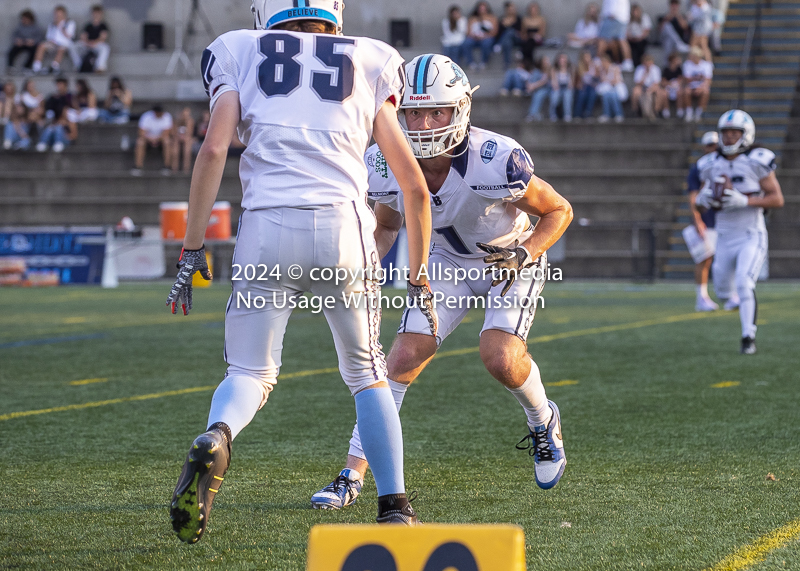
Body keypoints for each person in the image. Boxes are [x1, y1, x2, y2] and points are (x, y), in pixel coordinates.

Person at [166, 0, 435, 543]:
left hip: (266, 227)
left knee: (248, 373)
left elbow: (214, 148)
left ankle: (219, 435)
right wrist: (420, 275)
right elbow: (412, 185)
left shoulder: (239, 48)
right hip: (343, 229)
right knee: (366, 373)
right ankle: (394, 506)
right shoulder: (369, 57)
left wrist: (191, 251)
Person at [310, 53, 572, 511]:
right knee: (401, 358)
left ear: (461, 110)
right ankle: (352, 472)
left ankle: (542, 418)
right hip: (445, 262)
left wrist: (525, 253)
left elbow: (558, 210)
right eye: (413, 112)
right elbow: (388, 224)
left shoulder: (497, 158)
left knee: (500, 356)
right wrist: (364, 259)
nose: (425, 123)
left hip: (506, 258)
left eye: (437, 111)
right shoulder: (385, 161)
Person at [694, 111, 784, 354]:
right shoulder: (711, 163)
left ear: (746, 135)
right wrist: (702, 200)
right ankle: (738, 312)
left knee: (745, 283)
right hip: (723, 237)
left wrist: (745, 201)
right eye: (726, 132)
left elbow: (777, 199)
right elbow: (701, 203)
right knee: (723, 290)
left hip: (750, 234)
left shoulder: (757, 160)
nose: (730, 137)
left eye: (735, 132)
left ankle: (748, 338)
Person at [684, 131, 720, 311]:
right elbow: (693, 197)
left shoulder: (724, 164)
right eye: (709, 145)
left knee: (721, 259)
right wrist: (697, 220)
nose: (713, 148)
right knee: (704, 259)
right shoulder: (699, 168)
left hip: (722, 219)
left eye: (715, 145)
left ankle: (731, 294)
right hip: (707, 219)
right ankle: (702, 297)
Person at [32, 6, 77, 74]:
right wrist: (51, 41)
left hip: (65, 44)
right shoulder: (52, 24)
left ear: (64, 14)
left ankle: (54, 67)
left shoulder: (70, 23)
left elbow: (69, 37)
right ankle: (36, 68)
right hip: (53, 44)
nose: (57, 16)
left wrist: (61, 27)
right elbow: (48, 37)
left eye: (59, 14)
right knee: (41, 45)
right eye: (56, 14)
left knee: (61, 48)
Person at [36, 78, 77, 152]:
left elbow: (74, 135)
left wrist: (65, 136)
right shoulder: (55, 120)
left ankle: (58, 142)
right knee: (50, 128)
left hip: (64, 140)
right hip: (53, 139)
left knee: (58, 128)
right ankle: (42, 143)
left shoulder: (70, 120)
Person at [131, 105, 173, 176]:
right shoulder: (146, 116)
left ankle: (167, 166)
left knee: (167, 141)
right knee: (140, 142)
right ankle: (138, 167)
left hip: (160, 140)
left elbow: (166, 133)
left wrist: (156, 139)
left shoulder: (167, 116)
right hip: (148, 139)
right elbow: (141, 132)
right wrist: (150, 139)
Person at [597, 0, 633, 71]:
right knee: (619, 39)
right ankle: (626, 62)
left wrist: (611, 14)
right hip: (619, 17)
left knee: (602, 39)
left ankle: (597, 60)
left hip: (613, 17)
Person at [74, 5, 111, 73]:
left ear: (101, 14)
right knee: (74, 46)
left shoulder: (103, 25)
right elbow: (83, 36)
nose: (96, 15)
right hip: (87, 44)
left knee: (105, 48)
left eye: (98, 13)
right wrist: (88, 42)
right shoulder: (88, 25)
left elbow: (103, 38)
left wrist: (94, 43)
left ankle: (99, 67)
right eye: (94, 13)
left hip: (97, 45)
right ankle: (79, 65)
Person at [463, 1, 498, 70]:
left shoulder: (492, 18)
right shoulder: (472, 19)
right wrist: (474, 36)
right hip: (474, 38)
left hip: (486, 38)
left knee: (487, 43)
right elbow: (468, 32)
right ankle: (471, 62)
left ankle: (484, 62)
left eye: (483, 9)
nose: (482, 11)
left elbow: (494, 32)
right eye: (480, 9)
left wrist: (485, 36)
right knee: (466, 43)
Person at [680, 46, 712, 122]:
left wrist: (701, 87)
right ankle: (689, 111)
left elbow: (708, 80)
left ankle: (699, 112)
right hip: (691, 86)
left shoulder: (706, 65)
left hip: (702, 86)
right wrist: (697, 79)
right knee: (686, 91)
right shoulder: (687, 64)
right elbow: (687, 80)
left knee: (706, 91)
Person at [632, 54, 664, 119]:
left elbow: (657, 83)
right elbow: (637, 83)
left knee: (659, 91)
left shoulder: (656, 69)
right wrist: (645, 74)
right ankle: (635, 111)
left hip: (652, 87)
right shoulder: (639, 69)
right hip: (642, 87)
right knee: (635, 91)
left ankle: (656, 111)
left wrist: (650, 89)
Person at [596, 54, 625, 122]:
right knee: (605, 95)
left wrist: (607, 81)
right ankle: (606, 114)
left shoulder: (615, 68)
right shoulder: (602, 70)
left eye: (603, 62)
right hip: (608, 89)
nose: (602, 64)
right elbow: (601, 80)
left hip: (617, 88)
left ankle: (619, 114)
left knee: (613, 95)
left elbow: (616, 80)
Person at [659, 0, 690, 65]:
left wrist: (678, 16)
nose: (674, 7)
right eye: (672, 5)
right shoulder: (664, 16)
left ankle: (666, 65)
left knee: (669, 42)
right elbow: (660, 30)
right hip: (665, 38)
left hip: (672, 41)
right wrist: (668, 18)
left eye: (675, 5)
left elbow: (685, 28)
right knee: (667, 26)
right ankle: (679, 43)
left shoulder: (682, 16)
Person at [524, 55, 552, 121]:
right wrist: (530, 86)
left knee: (539, 93)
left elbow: (544, 82)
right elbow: (530, 81)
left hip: (549, 90)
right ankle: (534, 114)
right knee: (538, 92)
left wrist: (533, 86)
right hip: (538, 89)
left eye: (548, 61)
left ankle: (532, 114)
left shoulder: (551, 71)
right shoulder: (537, 71)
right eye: (545, 61)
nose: (547, 63)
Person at [574, 50, 600, 119]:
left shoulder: (594, 66)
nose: (587, 59)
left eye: (588, 57)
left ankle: (588, 113)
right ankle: (577, 114)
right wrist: (579, 85)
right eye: (585, 57)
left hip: (592, 86)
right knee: (582, 94)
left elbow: (598, 78)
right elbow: (577, 81)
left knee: (592, 94)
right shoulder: (579, 67)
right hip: (583, 86)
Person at [496, 2, 522, 69]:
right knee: (507, 42)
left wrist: (509, 25)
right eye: (510, 9)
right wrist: (504, 25)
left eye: (512, 9)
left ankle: (500, 44)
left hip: (516, 39)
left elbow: (520, 31)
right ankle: (507, 63)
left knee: (510, 31)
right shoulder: (502, 19)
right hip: (508, 41)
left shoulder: (518, 19)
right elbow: (499, 33)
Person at [549, 53, 574, 122]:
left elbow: (571, 82)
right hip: (557, 87)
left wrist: (569, 86)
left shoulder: (570, 69)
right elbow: (553, 81)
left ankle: (567, 115)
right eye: (561, 58)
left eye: (564, 58)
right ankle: (553, 114)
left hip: (566, 87)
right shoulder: (554, 69)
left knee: (567, 96)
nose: (562, 60)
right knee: (555, 96)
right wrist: (556, 86)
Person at [171, 107, 195, 173]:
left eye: (187, 115)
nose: (185, 116)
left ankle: (186, 168)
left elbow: (189, 133)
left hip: (187, 139)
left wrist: (187, 122)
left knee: (187, 146)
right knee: (175, 145)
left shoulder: (190, 121)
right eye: (184, 115)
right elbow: (173, 133)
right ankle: (174, 168)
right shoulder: (176, 122)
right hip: (177, 139)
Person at [660, 51, 683, 118]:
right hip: (668, 88)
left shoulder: (679, 69)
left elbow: (681, 80)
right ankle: (666, 110)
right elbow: (663, 82)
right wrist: (671, 83)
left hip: (677, 87)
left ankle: (680, 110)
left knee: (680, 92)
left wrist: (676, 84)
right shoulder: (666, 69)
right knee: (664, 93)